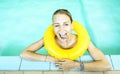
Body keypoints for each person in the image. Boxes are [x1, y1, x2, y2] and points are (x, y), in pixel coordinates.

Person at [20, 9, 111, 71]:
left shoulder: (82, 41)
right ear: (53, 27)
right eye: (57, 25)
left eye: (66, 24)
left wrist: (75, 65)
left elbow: (106, 65)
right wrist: (50, 59)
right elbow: (24, 54)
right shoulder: (48, 40)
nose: (61, 29)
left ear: (72, 26)